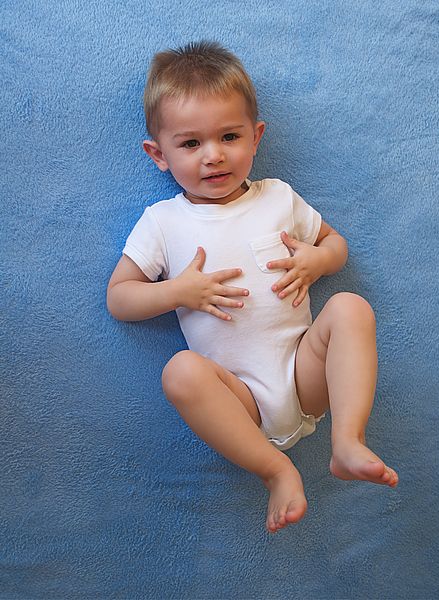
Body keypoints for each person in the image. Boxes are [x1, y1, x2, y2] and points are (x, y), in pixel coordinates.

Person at [107, 40, 398, 534]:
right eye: (191, 144)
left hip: (304, 376)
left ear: (257, 136)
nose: (214, 157)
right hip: (239, 400)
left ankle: (348, 440)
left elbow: (336, 245)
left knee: (350, 307)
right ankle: (275, 470)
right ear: (158, 154)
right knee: (180, 372)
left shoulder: (278, 197)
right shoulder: (162, 222)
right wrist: (177, 292)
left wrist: (317, 259)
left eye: (229, 136)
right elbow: (120, 297)